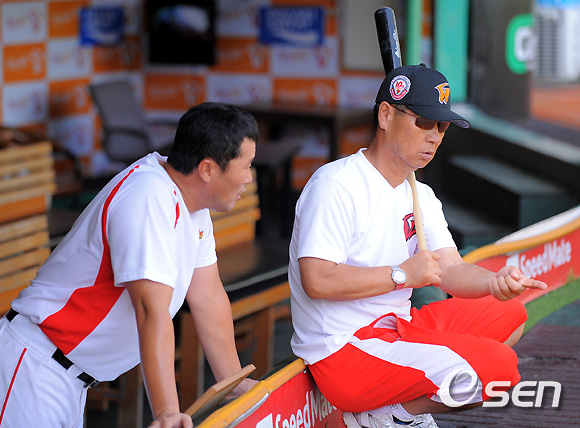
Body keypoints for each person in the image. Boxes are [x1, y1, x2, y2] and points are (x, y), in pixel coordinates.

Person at [287, 64, 548, 428]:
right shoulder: (336, 184)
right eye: (423, 122)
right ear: (385, 115)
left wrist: (494, 282)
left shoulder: (419, 193)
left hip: (398, 326)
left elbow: (451, 269)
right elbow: (318, 280)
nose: (434, 137)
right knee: (499, 369)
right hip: (343, 348)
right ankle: (388, 415)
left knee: (510, 314)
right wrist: (402, 275)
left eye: (441, 126)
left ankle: (390, 408)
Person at [0, 102, 259, 428]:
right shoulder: (147, 195)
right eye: (246, 165)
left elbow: (208, 297)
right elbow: (150, 310)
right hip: (35, 368)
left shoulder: (193, 204)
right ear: (207, 169)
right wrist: (167, 412)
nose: (249, 177)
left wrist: (233, 382)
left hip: (66, 377)